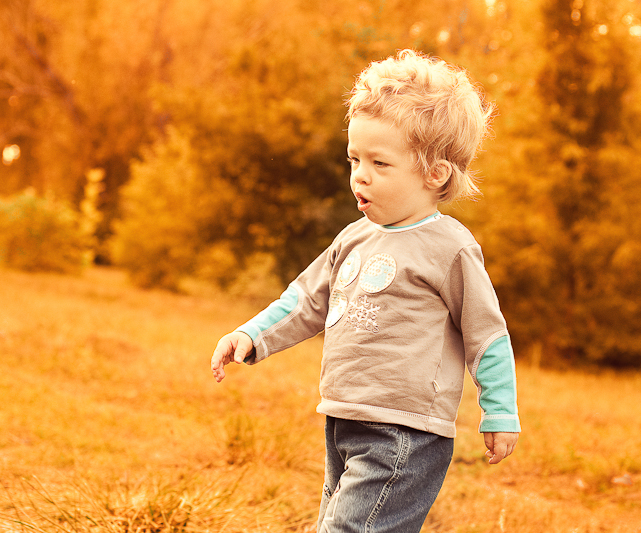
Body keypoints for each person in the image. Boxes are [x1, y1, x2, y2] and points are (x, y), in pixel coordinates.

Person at [211, 49, 520, 533]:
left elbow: (487, 334)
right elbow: (306, 299)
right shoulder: (353, 237)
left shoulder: (450, 248)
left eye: (380, 162)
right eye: (354, 158)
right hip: (343, 418)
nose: (360, 174)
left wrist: (499, 411)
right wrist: (251, 334)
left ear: (435, 173)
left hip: (405, 432)